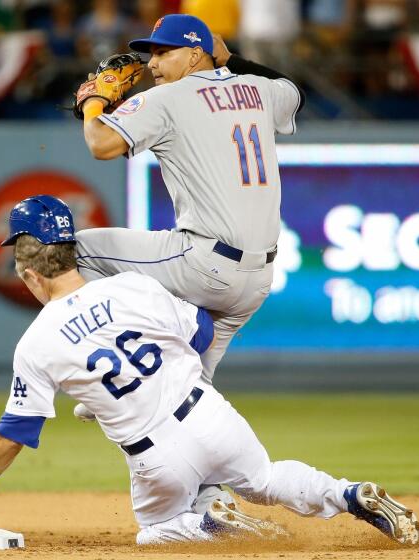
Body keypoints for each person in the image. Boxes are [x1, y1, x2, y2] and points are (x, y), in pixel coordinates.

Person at [0, 195, 419, 547]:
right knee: (266, 479)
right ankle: (348, 494)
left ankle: (207, 522)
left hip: (156, 457)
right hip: (208, 413)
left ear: (30, 273)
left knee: (153, 531)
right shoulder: (133, 286)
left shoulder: (35, 343)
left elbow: (15, 431)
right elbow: (203, 335)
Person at [73, 14, 304, 387]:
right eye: (152, 54)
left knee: (77, 250)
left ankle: (120, 360)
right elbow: (292, 89)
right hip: (258, 283)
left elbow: (100, 144)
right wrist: (232, 61)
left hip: (204, 265)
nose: (152, 64)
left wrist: (94, 101)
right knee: (194, 395)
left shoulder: (167, 97)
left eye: (164, 53)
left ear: (196, 55)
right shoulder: (257, 89)